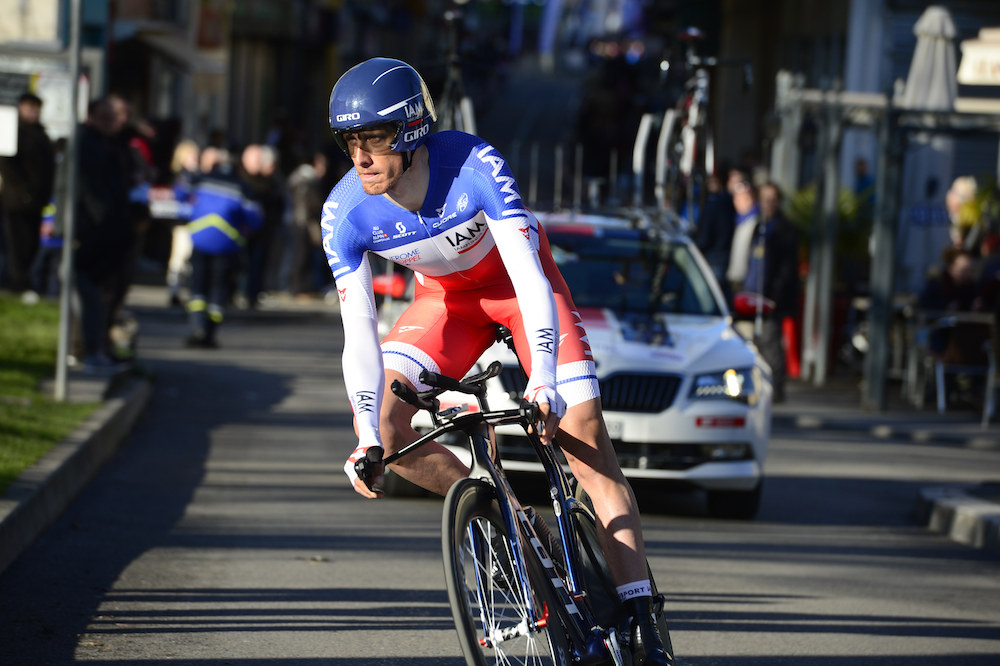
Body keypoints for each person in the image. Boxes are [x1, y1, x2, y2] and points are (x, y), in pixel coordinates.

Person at [323, 57, 672, 664]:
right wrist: (363, 440)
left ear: (409, 132)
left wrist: (541, 380)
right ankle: (504, 521)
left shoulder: (473, 166)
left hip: (520, 290)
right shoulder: (344, 212)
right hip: (447, 304)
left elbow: (531, 276)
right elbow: (359, 336)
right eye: (351, 142)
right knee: (385, 424)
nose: (361, 158)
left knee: (584, 442)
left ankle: (642, 619)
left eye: (374, 140)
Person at [73, 97, 134, 373]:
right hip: (94, 232)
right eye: (108, 117)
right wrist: (102, 222)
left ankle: (99, 348)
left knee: (107, 294)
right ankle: (89, 349)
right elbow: (91, 189)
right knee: (93, 294)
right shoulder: (87, 143)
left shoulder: (115, 143)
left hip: (110, 230)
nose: (116, 122)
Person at [184, 147, 263, 348]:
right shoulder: (241, 188)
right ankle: (209, 334)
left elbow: (180, 197)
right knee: (219, 289)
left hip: (200, 240)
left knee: (198, 286)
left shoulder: (200, 180)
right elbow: (255, 219)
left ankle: (197, 327)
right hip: (227, 245)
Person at [743, 182, 800, 402]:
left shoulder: (785, 229)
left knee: (771, 343)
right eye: (764, 199)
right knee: (754, 343)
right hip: (752, 296)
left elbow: (787, 268)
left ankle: (776, 390)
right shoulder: (759, 227)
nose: (768, 204)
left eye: (772, 199)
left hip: (770, 298)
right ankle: (756, 388)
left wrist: (774, 296)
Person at [0, 92, 56, 296]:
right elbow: (7, 164)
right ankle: (18, 284)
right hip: (17, 200)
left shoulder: (39, 132)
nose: (33, 111)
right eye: (29, 107)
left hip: (36, 200)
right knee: (18, 244)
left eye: (37, 107)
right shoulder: (14, 131)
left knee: (31, 243)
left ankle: (24, 282)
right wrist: (23, 191)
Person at [164, 139, 201, 306]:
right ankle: (174, 291)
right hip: (182, 222)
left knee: (188, 260)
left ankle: (187, 291)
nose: (195, 159)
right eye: (191, 156)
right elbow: (178, 195)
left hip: (195, 222)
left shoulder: (196, 175)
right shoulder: (181, 177)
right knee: (179, 258)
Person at [287, 151, 329, 298]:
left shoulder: (298, 177)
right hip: (303, 221)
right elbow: (311, 202)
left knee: (300, 254)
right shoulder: (307, 179)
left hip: (298, 220)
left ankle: (300, 287)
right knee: (301, 255)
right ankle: (298, 289)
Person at [725, 177, 759, 297]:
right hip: (735, 278)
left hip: (746, 282)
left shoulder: (755, 224)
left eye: (742, 198)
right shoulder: (738, 222)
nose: (737, 202)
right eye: (736, 198)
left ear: (750, 199)